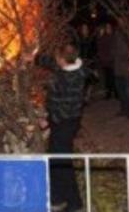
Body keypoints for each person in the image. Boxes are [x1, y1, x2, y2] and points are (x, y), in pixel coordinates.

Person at [31, 43, 88, 212]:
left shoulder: (62, 80)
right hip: (71, 120)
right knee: (56, 158)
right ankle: (57, 197)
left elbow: (57, 104)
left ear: (63, 60)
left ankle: (73, 202)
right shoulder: (78, 67)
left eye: (58, 57)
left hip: (63, 122)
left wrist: (47, 119)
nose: (56, 60)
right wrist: (35, 58)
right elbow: (54, 63)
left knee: (61, 161)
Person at [112, 21, 129, 119]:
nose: (120, 22)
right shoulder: (116, 34)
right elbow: (114, 49)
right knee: (120, 90)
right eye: (119, 21)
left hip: (127, 67)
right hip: (118, 67)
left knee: (128, 91)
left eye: (123, 20)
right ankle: (124, 109)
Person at [96, 22, 117, 100]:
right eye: (106, 27)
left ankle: (115, 92)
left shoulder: (114, 36)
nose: (108, 29)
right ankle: (108, 93)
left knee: (113, 77)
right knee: (107, 77)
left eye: (109, 27)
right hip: (105, 61)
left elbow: (115, 47)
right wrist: (102, 58)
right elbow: (100, 48)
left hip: (113, 60)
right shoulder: (103, 37)